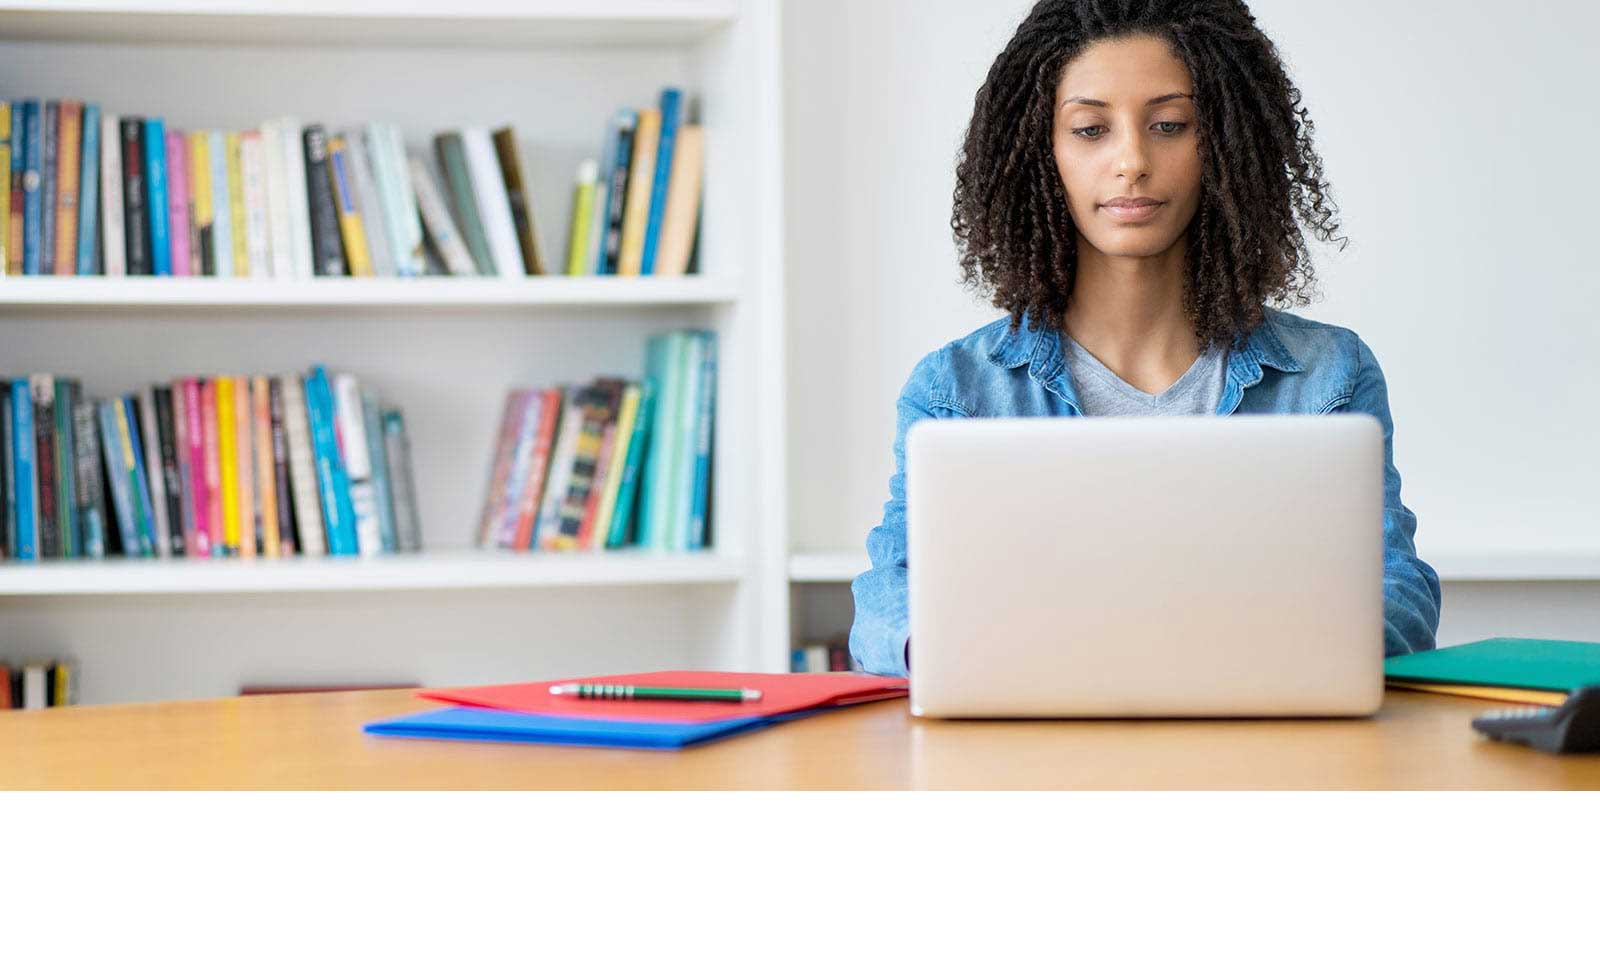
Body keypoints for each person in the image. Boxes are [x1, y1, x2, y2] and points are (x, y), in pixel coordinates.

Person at [849, 0, 1442, 678]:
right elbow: (884, 601)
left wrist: (1251, 656)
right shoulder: (956, 390)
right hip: (1038, 751)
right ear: (1044, 154)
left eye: (1169, 125)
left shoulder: (1327, 374)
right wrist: (973, 658)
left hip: (1261, 743)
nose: (1131, 160)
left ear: (1222, 140)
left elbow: (1399, 591)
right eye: (1090, 128)